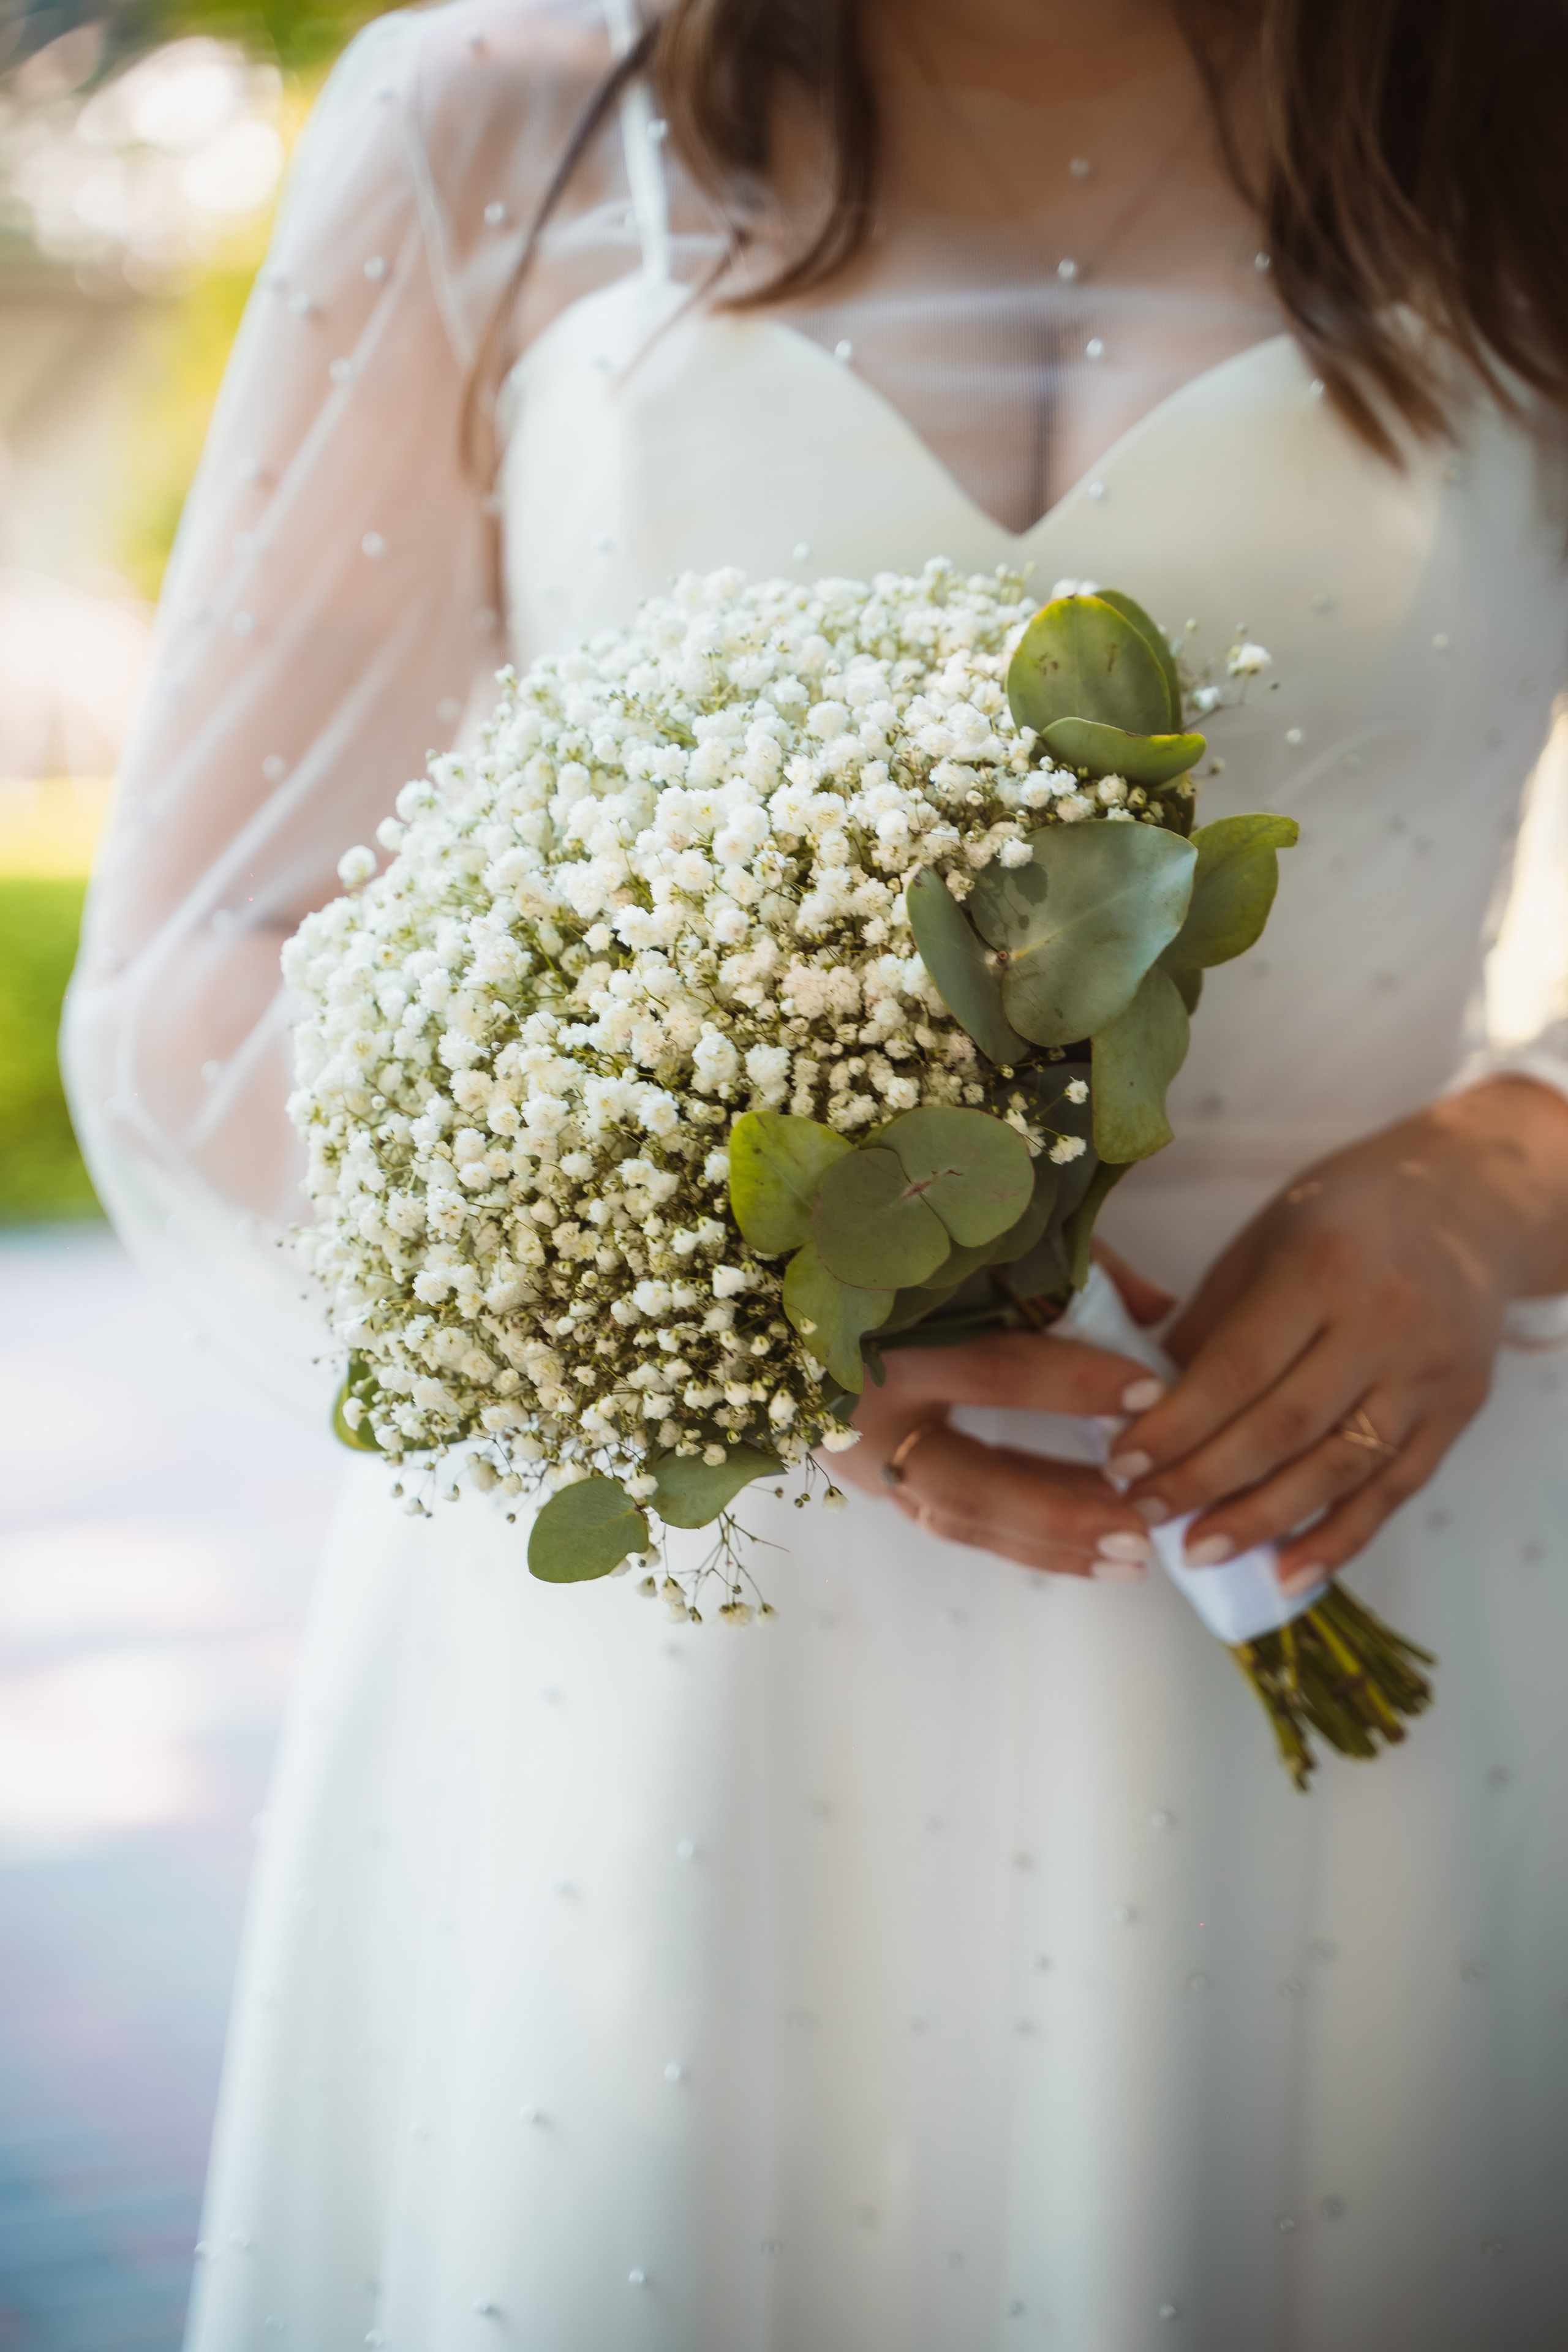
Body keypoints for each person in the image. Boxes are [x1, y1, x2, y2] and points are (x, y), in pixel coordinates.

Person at [62, 1, 1568, 2343]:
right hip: (681, 1648)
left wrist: (1494, 1178)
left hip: (1383, 1497)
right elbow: (206, 968)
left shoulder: (1522, 111)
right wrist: (732, 1333)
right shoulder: (499, 121)